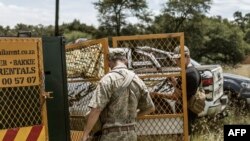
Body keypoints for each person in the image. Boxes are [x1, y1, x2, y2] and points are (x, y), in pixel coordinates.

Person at [82, 48, 155, 141]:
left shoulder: (107, 80)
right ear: (126, 60)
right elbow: (150, 108)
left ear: (109, 62)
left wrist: (85, 135)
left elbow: (96, 109)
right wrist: (133, 116)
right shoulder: (137, 80)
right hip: (131, 135)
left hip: (111, 136)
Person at [150, 45, 201, 140]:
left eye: (178, 59)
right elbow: (184, 89)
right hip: (192, 110)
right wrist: (173, 80)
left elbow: (175, 96)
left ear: (187, 57)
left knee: (184, 137)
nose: (176, 62)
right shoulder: (195, 71)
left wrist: (156, 94)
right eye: (176, 59)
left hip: (185, 110)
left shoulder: (185, 74)